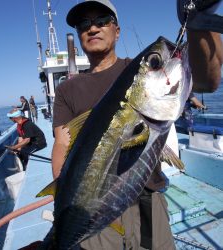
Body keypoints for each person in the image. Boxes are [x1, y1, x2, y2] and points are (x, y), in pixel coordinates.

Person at [51, 1, 223, 249]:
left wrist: (199, 24)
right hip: (92, 207)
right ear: (79, 35)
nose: (93, 28)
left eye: (101, 20)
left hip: (148, 197)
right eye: (84, 24)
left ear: (117, 30)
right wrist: (67, 203)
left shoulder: (131, 69)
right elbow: (62, 143)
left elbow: (208, 81)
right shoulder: (67, 89)